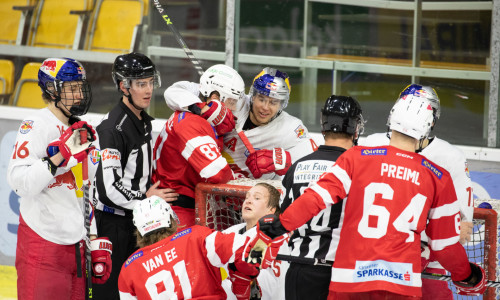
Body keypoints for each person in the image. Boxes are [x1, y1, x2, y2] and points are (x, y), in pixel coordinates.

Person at [257, 95, 487, 299]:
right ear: (427, 129)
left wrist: (282, 224)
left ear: (391, 120)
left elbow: (317, 197)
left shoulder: (357, 157)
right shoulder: (438, 176)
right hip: (402, 283)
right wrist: (468, 275)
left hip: (349, 279)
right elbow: (445, 246)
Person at [7, 57, 112, 300]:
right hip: (42, 246)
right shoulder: (36, 125)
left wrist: (93, 238)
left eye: (81, 87)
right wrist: (57, 159)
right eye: (71, 88)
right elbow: (18, 182)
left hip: (77, 246)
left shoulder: (84, 131)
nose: (79, 95)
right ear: (52, 90)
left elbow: (86, 191)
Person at [361, 84, 474, 299]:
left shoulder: (451, 157)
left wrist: (422, 245)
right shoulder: (373, 143)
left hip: (429, 264)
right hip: (373, 258)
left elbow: (463, 229)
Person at [92, 52, 178, 300]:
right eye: (141, 84)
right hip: (114, 226)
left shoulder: (142, 120)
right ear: (123, 86)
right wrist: (145, 199)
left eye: (151, 82)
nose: (148, 90)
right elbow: (108, 189)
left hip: (136, 222)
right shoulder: (112, 129)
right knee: (110, 294)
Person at [280, 95, 364, 300]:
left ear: (323, 126)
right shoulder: (360, 168)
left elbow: (285, 215)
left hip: (298, 269)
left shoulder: (298, 166)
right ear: (355, 129)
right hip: (339, 273)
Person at [152, 64, 244, 228]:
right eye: (231, 101)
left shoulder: (194, 112)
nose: (234, 108)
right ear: (216, 98)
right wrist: (239, 179)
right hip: (177, 211)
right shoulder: (192, 123)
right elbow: (217, 173)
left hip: (179, 204)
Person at [118, 196, 261, 299]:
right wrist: (242, 281)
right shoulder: (196, 237)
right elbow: (252, 250)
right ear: (171, 219)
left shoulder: (128, 268)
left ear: (138, 231)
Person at [222, 67, 318, 180]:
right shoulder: (235, 103)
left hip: (254, 194)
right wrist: (205, 108)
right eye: (261, 99)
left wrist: (285, 160)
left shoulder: (291, 128)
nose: (265, 107)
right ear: (252, 96)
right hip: (215, 183)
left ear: (282, 105)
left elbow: (313, 163)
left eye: (274, 102)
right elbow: (197, 91)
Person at [222, 182, 288, 300]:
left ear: (271, 210)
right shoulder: (230, 232)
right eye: (247, 197)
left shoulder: (275, 235)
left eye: (257, 198)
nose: (248, 201)